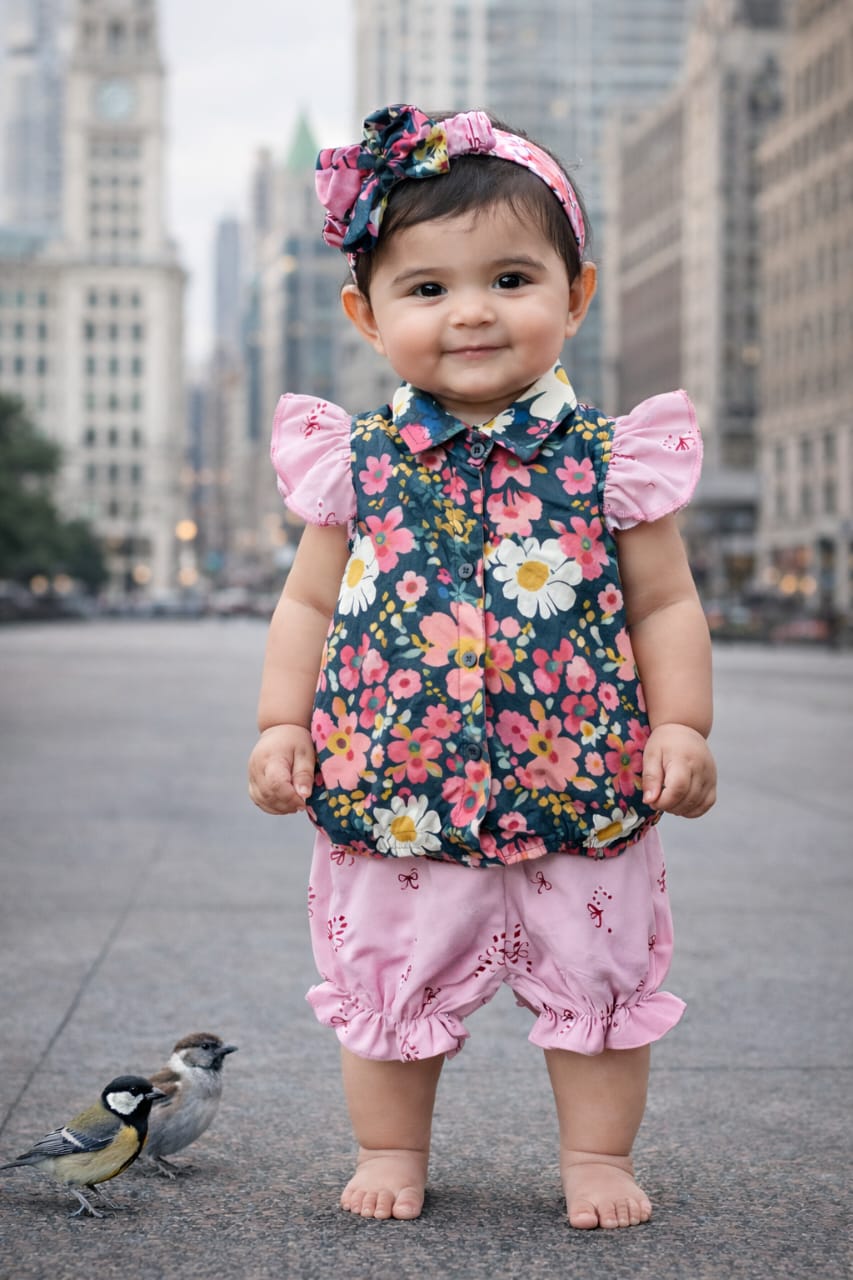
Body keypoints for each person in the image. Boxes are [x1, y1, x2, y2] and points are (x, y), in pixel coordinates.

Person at [248, 104, 716, 1230]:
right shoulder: (354, 462)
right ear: (366, 314)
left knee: (599, 984)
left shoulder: (612, 461)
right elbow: (308, 599)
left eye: (510, 278)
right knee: (389, 988)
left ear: (576, 294)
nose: (470, 312)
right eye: (426, 289)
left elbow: (664, 601)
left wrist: (683, 724)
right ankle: (391, 1142)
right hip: (395, 792)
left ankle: (595, 1156)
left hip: (584, 785)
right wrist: (281, 720)